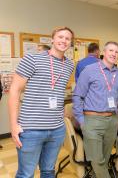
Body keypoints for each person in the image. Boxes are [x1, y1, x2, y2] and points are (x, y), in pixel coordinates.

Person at [8, 27, 74, 177]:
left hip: (57, 129)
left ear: (70, 43)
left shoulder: (69, 65)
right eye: (60, 37)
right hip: (31, 129)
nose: (63, 40)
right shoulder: (32, 59)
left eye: (67, 38)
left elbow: (55, 92)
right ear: (52, 39)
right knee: (26, 173)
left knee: (48, 171)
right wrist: (13, 125)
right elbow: (14, 90)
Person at [72, 41, 118, 178]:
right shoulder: (90, 70)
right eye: (111, 50)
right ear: (103, 52)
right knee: (97, 160)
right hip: (92, 121)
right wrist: (81, 121)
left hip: (112, 121)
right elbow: (77, 96)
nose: (114, 54)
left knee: (104, 158)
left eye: (116, 52)